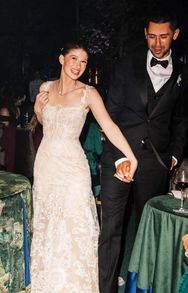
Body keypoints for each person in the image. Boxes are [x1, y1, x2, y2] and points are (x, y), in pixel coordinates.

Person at [30, 40, 137, 292]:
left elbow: (109, 126)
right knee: (49, 226)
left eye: (84, 61)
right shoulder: (46, 88)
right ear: (61, 59)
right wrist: (37, 110)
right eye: (74, 58)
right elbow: (45, 124)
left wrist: (131, 156)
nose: (78, 65)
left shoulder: (89, 93)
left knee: (75, 225)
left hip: (73, 169)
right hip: (46, 165)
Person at [99, 11, 188, 293]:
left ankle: (140, 288)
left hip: (156, 161)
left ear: (175, 34)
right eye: (152, 36)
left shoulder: (183, 74)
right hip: (119, 156)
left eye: (163, 36)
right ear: (145, 34)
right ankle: (107, 288)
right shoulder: (126, 65)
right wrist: (121, 156)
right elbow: (110, 113)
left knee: (146, 229)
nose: (157, 43)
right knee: (111, 229)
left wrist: (174, 154)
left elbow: (182, 119)